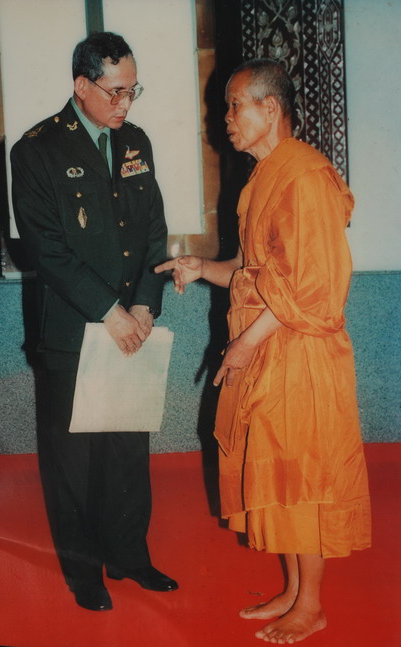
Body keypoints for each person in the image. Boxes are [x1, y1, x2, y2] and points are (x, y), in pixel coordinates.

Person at [156, 59, 370, 643]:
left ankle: (312, 605)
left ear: (270, 108)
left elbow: (317, 291)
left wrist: (245, 344)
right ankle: (295, 589)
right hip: (270, 347)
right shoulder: (264, 176)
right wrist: (200, 267)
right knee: (277, 472)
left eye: (234, 106)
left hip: (303, 353)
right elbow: (251, 272)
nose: (223, 118)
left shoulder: (306, 177)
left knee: (303, 475)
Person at [11, 32, 177, 612]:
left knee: (128, 450)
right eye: (114, 92)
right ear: (81, 85)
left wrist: (145, 304)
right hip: (75, 331)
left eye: (133, 90)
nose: (125, 103)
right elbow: (47, 249)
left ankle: (130, 556)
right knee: (74, 461)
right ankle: (84, 574)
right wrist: (110, 312)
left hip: (133, 323)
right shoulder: (36, 150)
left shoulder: (136, 142)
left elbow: (154, 229)